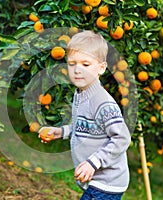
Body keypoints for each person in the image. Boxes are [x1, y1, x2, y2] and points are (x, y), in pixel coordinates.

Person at [38, 30, 131, 200]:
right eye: (72, 64)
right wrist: (61, 132)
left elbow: (122, 138)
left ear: (101, 68)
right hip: (95, 180)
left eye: (85, 64)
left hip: (107, 182)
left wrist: (93, 163)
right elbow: (86, 127)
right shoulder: (81, 94)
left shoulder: (102, 102)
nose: (78, 70)